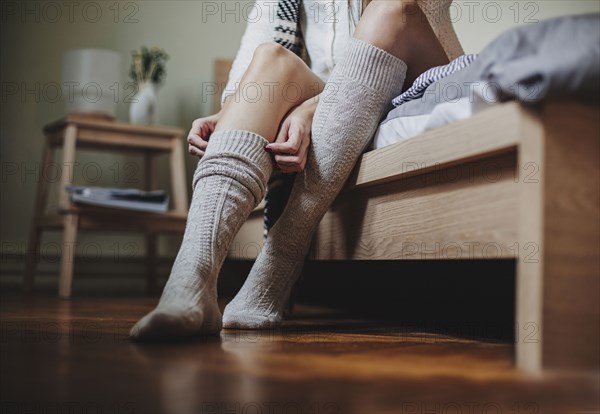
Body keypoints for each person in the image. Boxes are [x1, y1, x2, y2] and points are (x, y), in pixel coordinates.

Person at [130, 0, 464, 340]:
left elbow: (405, 34)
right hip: (337, 97)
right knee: (270, 59)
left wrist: (309, 110)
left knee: (392, 8)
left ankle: (281, 260)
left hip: (418, 79)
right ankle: (191, 279)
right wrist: (229, 115)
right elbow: (246, 74)